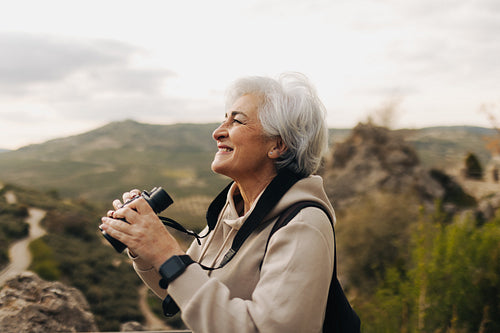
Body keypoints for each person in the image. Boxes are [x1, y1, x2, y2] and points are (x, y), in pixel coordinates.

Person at [100, 72, 335, 333]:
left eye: (237, 121)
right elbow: (185, 286)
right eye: (224, 118)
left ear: (277, 145)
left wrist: (166, 252)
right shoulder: (234, 208)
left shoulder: (302, 225)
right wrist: (141, 244)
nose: (217, 132)